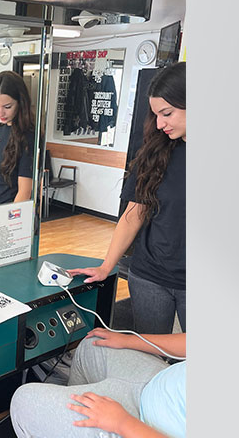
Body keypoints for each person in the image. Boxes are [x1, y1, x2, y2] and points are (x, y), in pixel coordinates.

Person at [68, 62, 186, 334]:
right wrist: (106, 266)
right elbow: (134, 215)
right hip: (149, 276)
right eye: (155, 115)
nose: (160, 124)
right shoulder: (156, 153)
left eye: (167, 113)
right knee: (148, 353)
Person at [10, 330, 186, 438]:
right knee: (93, 344)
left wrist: (123, 423)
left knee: (23, 403)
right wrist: (128, 340)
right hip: (161, 387)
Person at [0, 71, 35, 236]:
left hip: (11, 220)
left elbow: (24, 191)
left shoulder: (27, 136)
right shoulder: (2, 127)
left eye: (7, 107)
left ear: (20, 103)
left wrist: (7, 227)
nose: (0, 113)